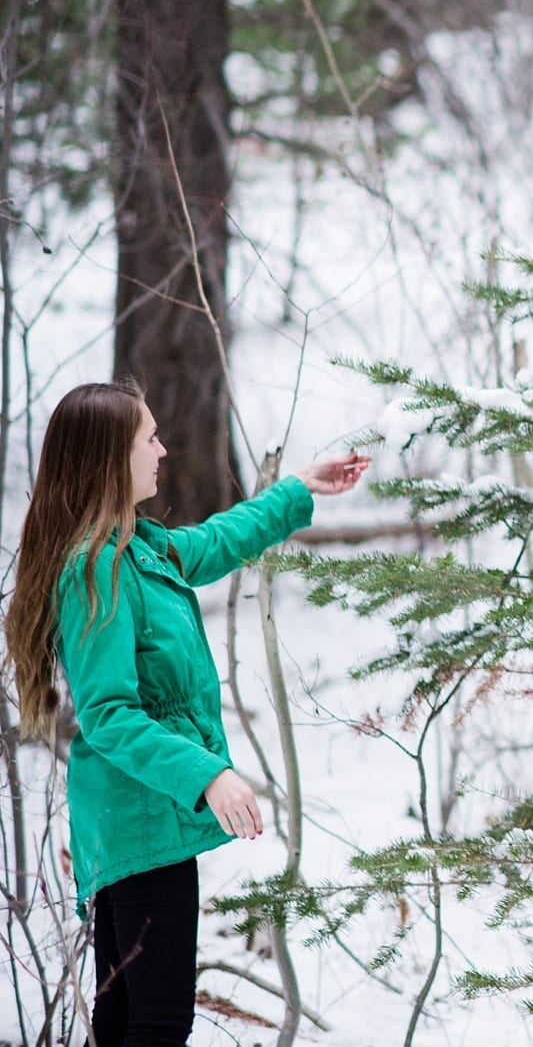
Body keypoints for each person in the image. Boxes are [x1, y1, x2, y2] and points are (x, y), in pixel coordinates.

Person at [2, 381, 368, 1046]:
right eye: (149, 438)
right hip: (140, 822)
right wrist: (206, 775)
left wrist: (298, 487)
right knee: (158, 1024)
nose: (163, 450)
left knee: (122, 1019)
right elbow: (110, 715)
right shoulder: (96, 574)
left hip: (139, 821)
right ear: (110, 458)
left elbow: (218, 542)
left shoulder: (139, 550)